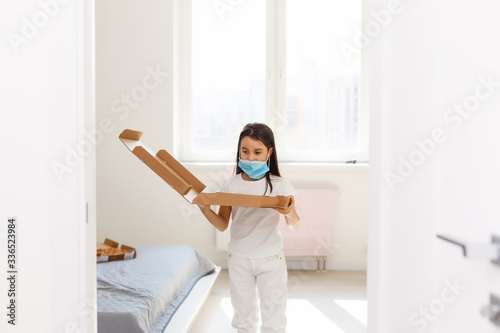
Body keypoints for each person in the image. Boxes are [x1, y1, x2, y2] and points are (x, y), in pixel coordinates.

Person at [197, 122, 300, 333]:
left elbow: (294, 224)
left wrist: (289, 212)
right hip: (239, 259)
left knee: (274, 319)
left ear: (269, 152)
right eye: (245, 151)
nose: (250, 158)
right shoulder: (230, 185)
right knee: (243, 319)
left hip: (270, 259)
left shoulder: (280, 185)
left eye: (257, 152)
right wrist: (205, 209)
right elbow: (223, 224)